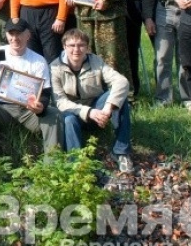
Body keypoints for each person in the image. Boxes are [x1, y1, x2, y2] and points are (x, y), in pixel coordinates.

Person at [0, 19, 62, 159]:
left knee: (54, 113)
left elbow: (45, 92)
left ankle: (53, 161)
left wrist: (40, 107)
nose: (14, 38)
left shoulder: (38, 60)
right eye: (11, 34)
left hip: (28, 112)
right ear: (6, 35)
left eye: (19, 34)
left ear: (28, 35)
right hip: (3, 110)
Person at [51, 29, 132, 173]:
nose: (76, 49)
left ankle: (121, 152)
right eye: (71, 45)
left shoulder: (96, 61)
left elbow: (121, 81)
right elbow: (60, 102)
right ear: (64, 47)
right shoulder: (55, 67)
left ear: (87, 47)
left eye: (81, 45)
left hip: (98, 110)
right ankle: (77, 163)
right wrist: (88, 112)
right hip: (73, 113)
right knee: (69, 119)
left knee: (120, 97)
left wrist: (107, 109)